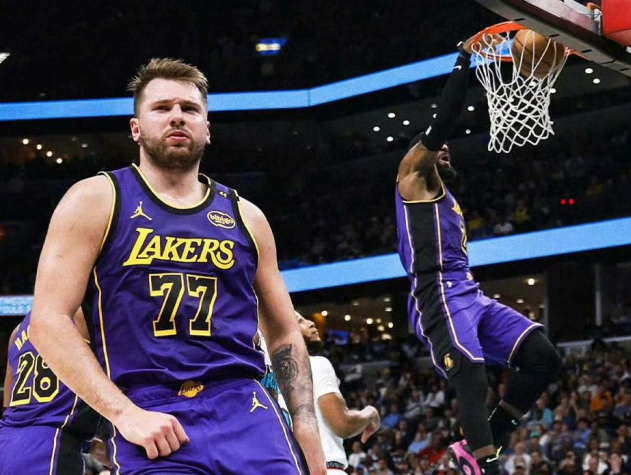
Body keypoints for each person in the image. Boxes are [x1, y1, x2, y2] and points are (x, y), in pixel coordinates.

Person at [29, 58, 325, 475]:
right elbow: (47, 320)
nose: (177, 117)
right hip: (149, 410)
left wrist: (306, 425)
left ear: (207, 128)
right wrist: (124, 414)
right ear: (136, 128)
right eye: (161, 107)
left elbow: (283, 330)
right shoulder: (95, 199)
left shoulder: (247, 216)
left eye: (189, 108)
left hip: (245, 407)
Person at [394, 33, 562, 475]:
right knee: (470, 371)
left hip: (469, 292)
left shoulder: (446, 197)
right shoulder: (411, 178)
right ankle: (485, 465)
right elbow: (444, 121)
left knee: (544, 358)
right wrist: (463, 60)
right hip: (436, 292)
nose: (445, 149)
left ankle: (485, 440)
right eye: (436, 147)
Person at [1, 309, 102, 474]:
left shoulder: (17, 332)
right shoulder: (83, 313)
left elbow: (8, 405)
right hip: (49, 445)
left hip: (7, 442)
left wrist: (89, 444)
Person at [296, 312, 380, 474]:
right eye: (300, 321)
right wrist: (371, 413)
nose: (311, 322)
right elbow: (342, 425)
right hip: (326, 468)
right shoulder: (317, 364)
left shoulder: (266, 379)